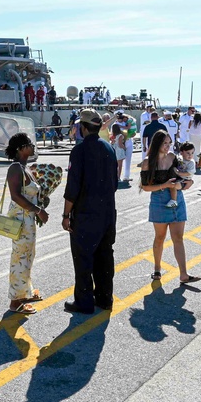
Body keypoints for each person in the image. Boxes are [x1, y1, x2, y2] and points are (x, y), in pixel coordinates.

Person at [63, 109, 119, 314]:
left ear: (83, 128)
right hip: (107, 212)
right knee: (105, 256)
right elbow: (114, 182)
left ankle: (84, 302)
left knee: (83, 258)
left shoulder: (79, 151)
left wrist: (66, 215)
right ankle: (105, 298)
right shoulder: (108, 147)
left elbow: (73, 188)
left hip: (86, 214)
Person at [3, 133, 50, 314]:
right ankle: (16, 302)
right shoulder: (15, 168)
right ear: (21, 148)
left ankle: (24, 293)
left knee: (27, 257)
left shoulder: (26, 167)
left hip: (27, 220)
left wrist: (40, 202)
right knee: (20, 259)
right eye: (29, 144)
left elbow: (29, 193)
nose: (33, 146)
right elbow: (15, 195)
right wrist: (38, 210)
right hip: (21, 221)